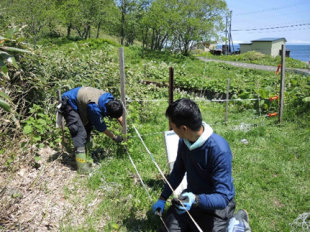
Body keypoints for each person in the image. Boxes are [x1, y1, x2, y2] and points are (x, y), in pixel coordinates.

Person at [151, 98, 251, 232]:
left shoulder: (219, 150)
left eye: (172, 126)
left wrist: (196, 199)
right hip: (191, 201)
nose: (171, 129)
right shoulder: (184, 141)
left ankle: (239, 219)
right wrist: (163, 198)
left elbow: (223, 197)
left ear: (184, 128)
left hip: (216, 208)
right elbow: (178, 171)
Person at [58, 86, 123, 174]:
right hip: (70, 103)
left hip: (81, 102)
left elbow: (117, 113)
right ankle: (82, 167)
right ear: (107, 113)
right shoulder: (94, 107)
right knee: (79, 133)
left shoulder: (110, 100)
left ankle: (86, 155)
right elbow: (101, 127)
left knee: (88, 127)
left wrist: (125, 128)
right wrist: (115, 137)